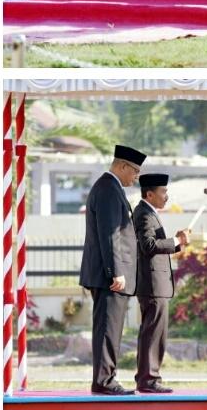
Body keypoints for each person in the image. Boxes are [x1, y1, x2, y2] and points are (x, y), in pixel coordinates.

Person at [79, 145, 147, 395]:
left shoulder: (111, 188)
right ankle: (104, 381)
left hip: (111, 274)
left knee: (111, 329)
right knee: (107, 329)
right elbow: (110, 234)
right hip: (109, 276)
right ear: (121, 166)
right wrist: (115, 271)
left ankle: (105, 379)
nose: (136, 177)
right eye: (135, 171)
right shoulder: (108, 189)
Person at [133, 173, 190, 394]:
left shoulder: (150, 213)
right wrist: (176, 241)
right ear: (150, 194)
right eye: (163, 192)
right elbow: (148, 246)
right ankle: (148, 380)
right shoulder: (144, 214)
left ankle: (149, 378)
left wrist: (177, 242)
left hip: (158, 285)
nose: (166, 197)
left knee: (156, 333)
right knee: (152, 333)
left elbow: (156, 246)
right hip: (152, 285)